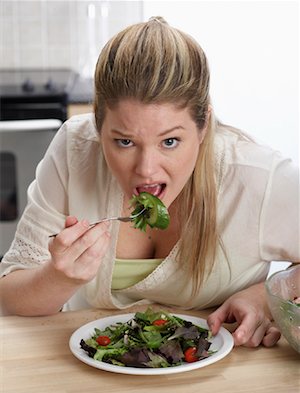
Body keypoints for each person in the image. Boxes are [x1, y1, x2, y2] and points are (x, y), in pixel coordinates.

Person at [0, 17, 298, 348]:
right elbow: (11, 299)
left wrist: (266, 296)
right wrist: (57, 278)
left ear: (203, 126)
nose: (146, 170)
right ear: (99, 125)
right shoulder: (76, 149)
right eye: (124, 142)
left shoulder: (255, 176)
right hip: (90, 379)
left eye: (170, 142)